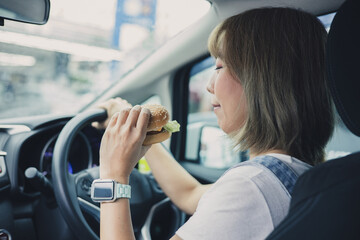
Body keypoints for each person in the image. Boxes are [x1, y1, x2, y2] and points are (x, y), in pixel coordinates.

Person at [94, 7, 334, 240]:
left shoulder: (249, 189)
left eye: (219, 67)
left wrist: (114, 175)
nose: (209, 85)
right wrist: (140, 135)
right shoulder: (294, 176)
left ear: (260, 82)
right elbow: (189, 194)